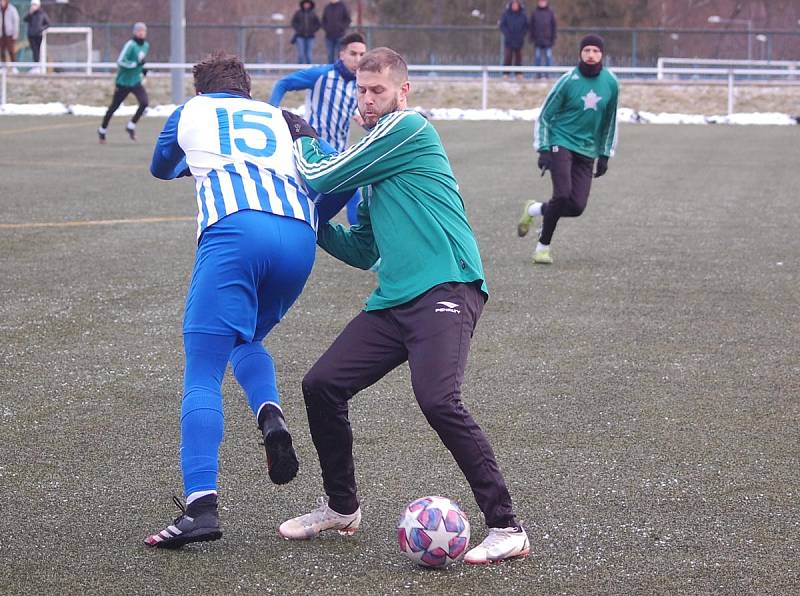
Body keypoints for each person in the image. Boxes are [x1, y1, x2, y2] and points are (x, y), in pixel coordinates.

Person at [279, 47, 531, 565]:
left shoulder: (410, 129)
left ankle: (507, 527)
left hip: (446, 287)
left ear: (403, 91)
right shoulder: (375, 158)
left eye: (379, 91)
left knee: (439, 400)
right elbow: (363, 248)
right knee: (322, 385)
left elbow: (324, 176)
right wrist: (312, 226)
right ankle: (341, 508)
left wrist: (303, 137)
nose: (369, 100)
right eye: (362, 91)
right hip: (394, 301)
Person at [144, 51, 352, 549]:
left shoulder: (190, 112)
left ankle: (200, 508)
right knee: (248, 336)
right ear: (247, 90)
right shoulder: (286, 119)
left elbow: (161, 167)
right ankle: (270, 414)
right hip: (299, 238)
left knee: (203, 369)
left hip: (235, 230)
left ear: (202, 89)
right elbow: (335, 179)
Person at [517, 34, 619, 265]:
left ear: (602, 54)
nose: (591, 54)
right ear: (580, 54)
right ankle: (542, 248)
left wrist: (604, 154)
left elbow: (610, 122)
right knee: (562, 195)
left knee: (576, 207)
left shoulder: (611, 83)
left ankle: (533, 209)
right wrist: (543, 149)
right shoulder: (568, 80)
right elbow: (545, 116)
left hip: (588, 149)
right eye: (587, 50)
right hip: (561, 142)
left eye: (595, 50)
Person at [269, 32, 366, 224]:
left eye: (363, 55)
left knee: (353, 195)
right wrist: (272, 111)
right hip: (314, 151)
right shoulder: (322, 75)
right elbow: (283, 83)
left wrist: (364, 120)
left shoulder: (360, 83)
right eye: (353, 54)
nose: (358, 59)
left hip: (339, 153)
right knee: (309, 199)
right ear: (341, 54)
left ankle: (361, 246)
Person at [97, 22, 149, 143]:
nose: (141, 33)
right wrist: (135, 65)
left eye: (143, 31)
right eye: (139, 31)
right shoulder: (130, 45)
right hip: (123, 82)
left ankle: (131, 126)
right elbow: (121, 61)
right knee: (114, 107)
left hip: (135, 81)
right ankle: (102, 130)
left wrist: (143, 69)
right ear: (135, 32)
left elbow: (140, 61)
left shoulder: (146, 45)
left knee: (144, 102)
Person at [499, 1, 527, 80]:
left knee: (519, 58)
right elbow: (502, 25)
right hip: (509, 40)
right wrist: (507, 34)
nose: (515, 6)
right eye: (513, 5)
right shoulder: (506, 14)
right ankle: (506, 74)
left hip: (519, 40)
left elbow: (526, 26)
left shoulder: (522, 15)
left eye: (516, 5)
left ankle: (518, 74)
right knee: (508, 57)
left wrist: (521, 35)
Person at [529, 0, 556, 78]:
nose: (542, 3)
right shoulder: (534, 13)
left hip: (548, 40)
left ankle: (548, 75)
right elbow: (531, 26)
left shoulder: (550, 13)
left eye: (543, 1)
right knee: (538, 58)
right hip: (537, 40)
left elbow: (554, 26)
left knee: (548, 57)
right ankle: (538, 74)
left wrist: (553, 38)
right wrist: (532, 37)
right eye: (540, 1)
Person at [290, 0, 321, 64]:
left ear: (310, 5)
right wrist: (298, 29)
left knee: (309, 54)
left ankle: (309, 71)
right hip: (300, 36)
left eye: (308, 4)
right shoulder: (298, 13)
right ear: (303, 4)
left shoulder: (313, 13)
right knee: (301, 54)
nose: (306, 5)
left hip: (310, 37)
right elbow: (293, 22)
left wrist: (313, 30)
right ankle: (300, 71)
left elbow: (318, 24)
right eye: (305, 4)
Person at [321, 0, 351, 64]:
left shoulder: (343, 6)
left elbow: (348, 20)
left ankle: (340, 70)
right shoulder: (327, 7)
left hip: (340, 35)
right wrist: (326, 28)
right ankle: (330, 70)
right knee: (330, 55)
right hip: (329, 36)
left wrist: (342, 28)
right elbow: (323, 20)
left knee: (340, 55)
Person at [23, 0, 49, 72]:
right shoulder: (31, 14)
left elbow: (47, 24)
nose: (34, 6)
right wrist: (30, 13)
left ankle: (37, 66)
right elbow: (25, 19)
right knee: (34, 50)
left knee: (37, 51)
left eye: (35, 5)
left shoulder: (42, 14)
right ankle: (36, 66)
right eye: (33, 5)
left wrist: (41, 29)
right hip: (31, 35)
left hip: (38, 35)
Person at [0, 0, 19, 70]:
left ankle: (14, 67)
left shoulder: (12, 9)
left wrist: (15, 35)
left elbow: (16, 22)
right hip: (1, 34)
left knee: (11, 51)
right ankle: (3, 67)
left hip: (10, 34)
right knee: (2, 51)